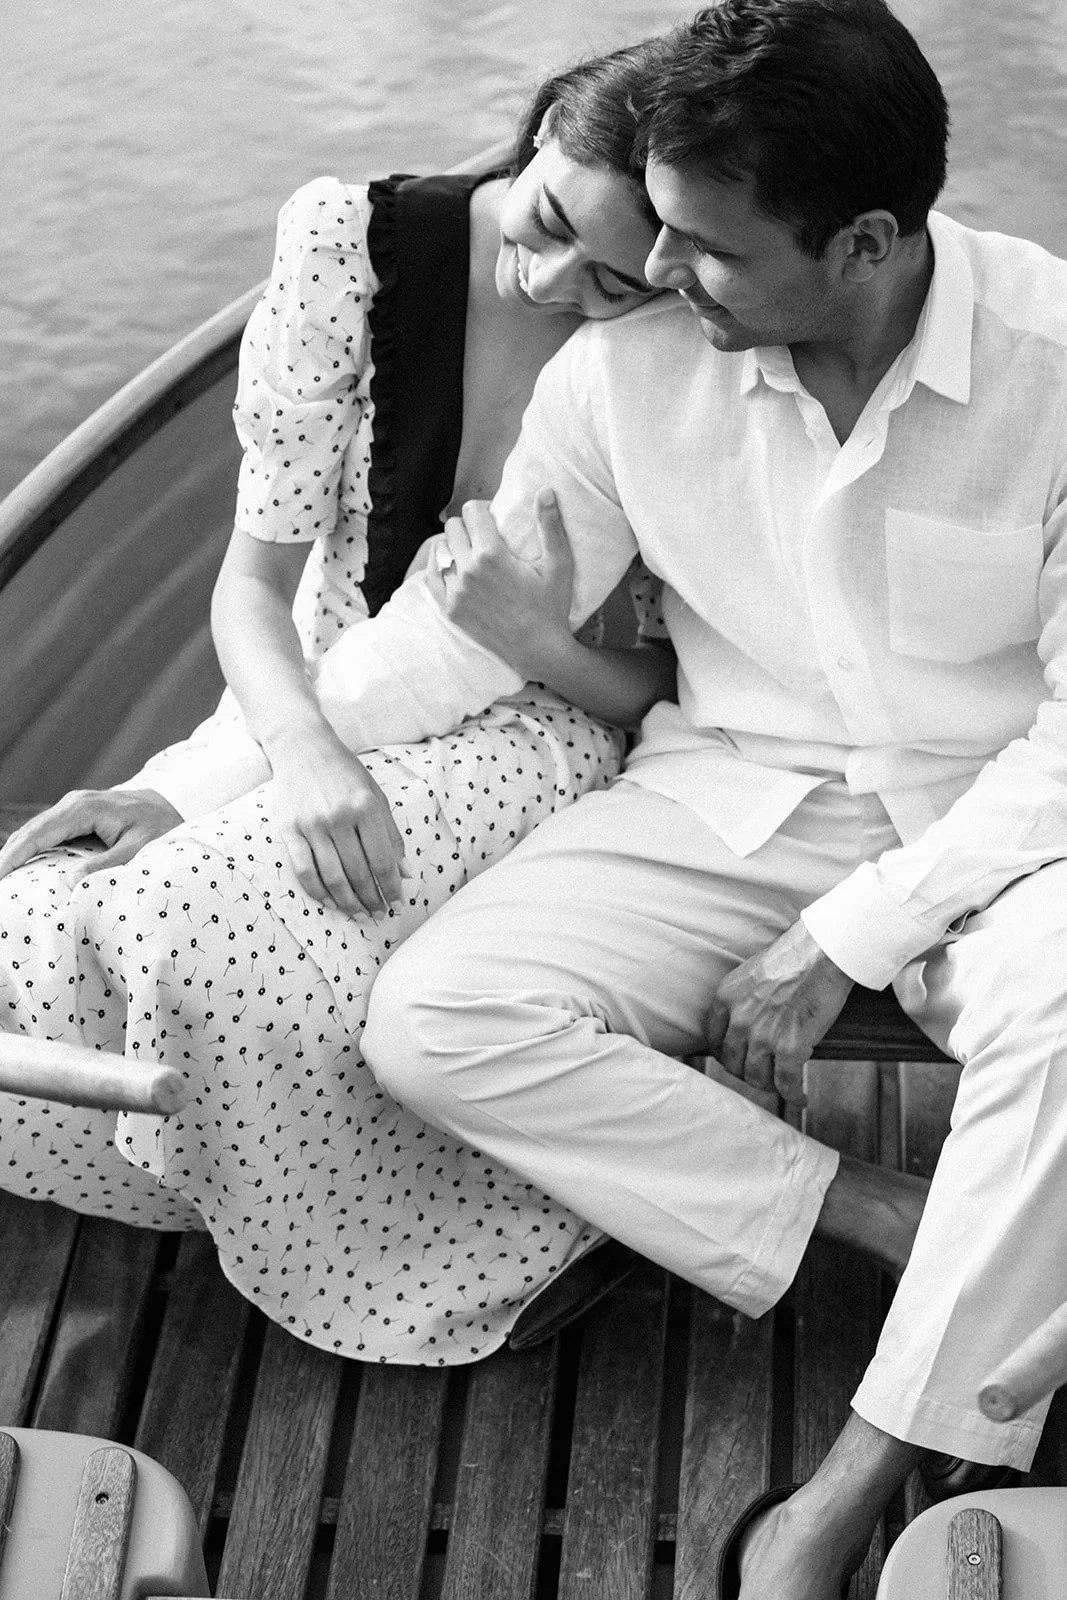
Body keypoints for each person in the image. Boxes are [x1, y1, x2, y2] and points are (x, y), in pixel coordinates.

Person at [287, 0, 1061, 1593]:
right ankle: (910, 1228)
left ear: (862, 238)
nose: (652, 275)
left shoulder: (1057, 371)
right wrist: (200, 775)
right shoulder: (626, 376)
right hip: (731, 792)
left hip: (1008, 824)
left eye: (706, 249)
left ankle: (848, 1488)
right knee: (433, 1020)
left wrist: (854, 935)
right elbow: (445, 640)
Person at [0, 41, 676, 1363]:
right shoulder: (350, 245)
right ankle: (243, 1173)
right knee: (28, 932)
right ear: (537, 127)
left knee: (185, 916)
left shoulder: (680, 343)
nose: (548, 285)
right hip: (306, 692)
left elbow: (663, 695)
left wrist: (530, 634)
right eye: (546, 226)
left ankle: (438, 1271)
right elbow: (252, 593)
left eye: (613, 279)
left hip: (537, 721)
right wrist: (277, 760)